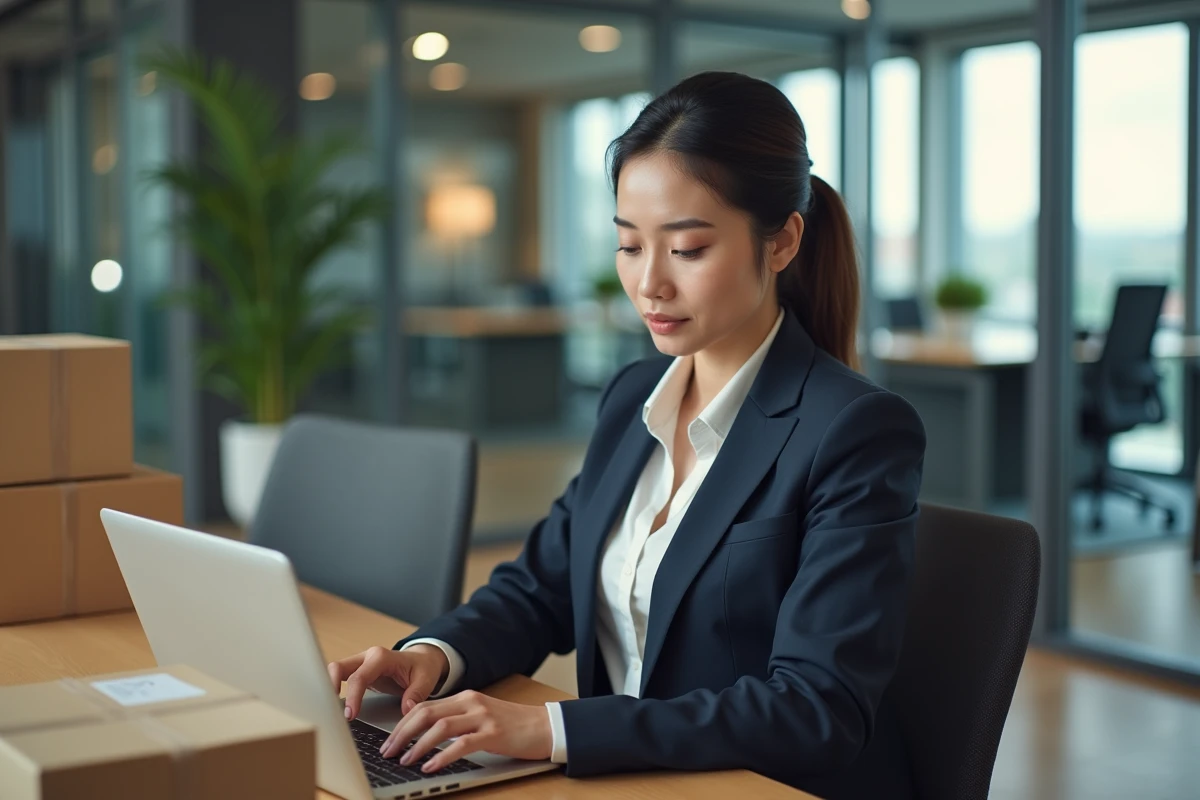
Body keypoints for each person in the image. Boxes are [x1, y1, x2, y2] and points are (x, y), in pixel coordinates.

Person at [328, 71, 926, 800]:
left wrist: (552, 729)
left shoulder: (854, 430)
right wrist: (432, 655)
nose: (649, 285)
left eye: (687, 249)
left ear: (781, 243)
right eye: (629, 246)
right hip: (626, 781)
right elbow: (540, 587)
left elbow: (814, 708)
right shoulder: (632, 398)